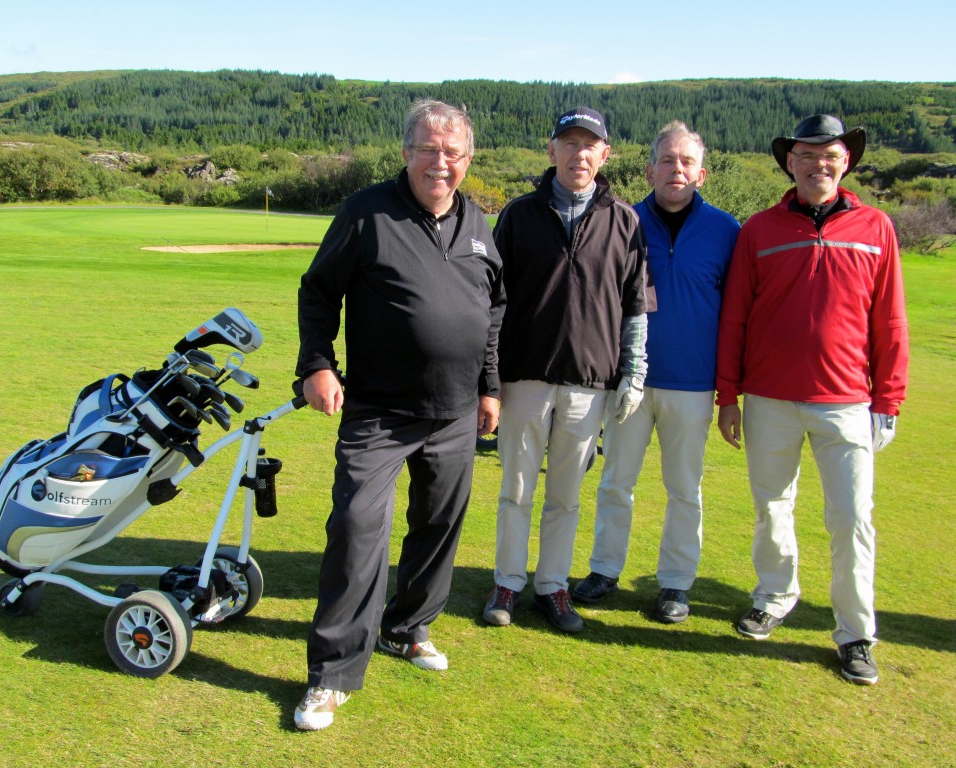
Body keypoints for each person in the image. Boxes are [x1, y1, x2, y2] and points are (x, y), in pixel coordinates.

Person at [292, 99, 505, 730]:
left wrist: (490, 387)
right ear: (407, 152)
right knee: (357, 527)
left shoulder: (477, 222)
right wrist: (316, 364)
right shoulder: (366, 212)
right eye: (429, 149)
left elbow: (492, 309)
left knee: (438, 528)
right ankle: (332, 674)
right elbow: (318, 291)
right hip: (379, 411)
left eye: (453, 152)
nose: (441, 162)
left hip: (455, 411)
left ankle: (407, 628)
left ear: (468, 159)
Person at [716, 114, 909, 685]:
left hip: (847, 402)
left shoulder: (876, 227)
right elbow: (736, 316)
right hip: (770, 398)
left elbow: (890, 321)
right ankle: (775, 595)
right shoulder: (759, 229)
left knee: (851, 519)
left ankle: (855, 633)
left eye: (830, 155)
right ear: (790, 163)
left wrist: (889, 400)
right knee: (772, 507)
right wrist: (729, 395)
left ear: (845, 162)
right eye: (807, 155)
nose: (818, 164)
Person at [483, 106, 652, 634]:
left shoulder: (625, 220)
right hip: (524, 377)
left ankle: (552, 585)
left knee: (565, 496)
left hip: (589, 382)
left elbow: (635, 306)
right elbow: (492, 301)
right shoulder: (519, 214)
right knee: (515, 489)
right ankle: (507, 581)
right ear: (552, 149)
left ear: (605, 155)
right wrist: (489, 377)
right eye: (570, 143)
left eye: (590, 145)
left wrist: (633, 372)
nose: (580, 154)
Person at [572, 121, 739, 623]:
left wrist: (729, 389)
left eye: (686, 162)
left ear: (702, 174)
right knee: (615, 482)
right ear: (649, 170)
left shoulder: (727, 231)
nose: (676, 170)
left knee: (685, 489)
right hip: (628, 379)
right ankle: (605, 570)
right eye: (667, 160)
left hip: (693, 383)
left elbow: (737, 313)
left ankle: (676, 583)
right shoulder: (623, 220)